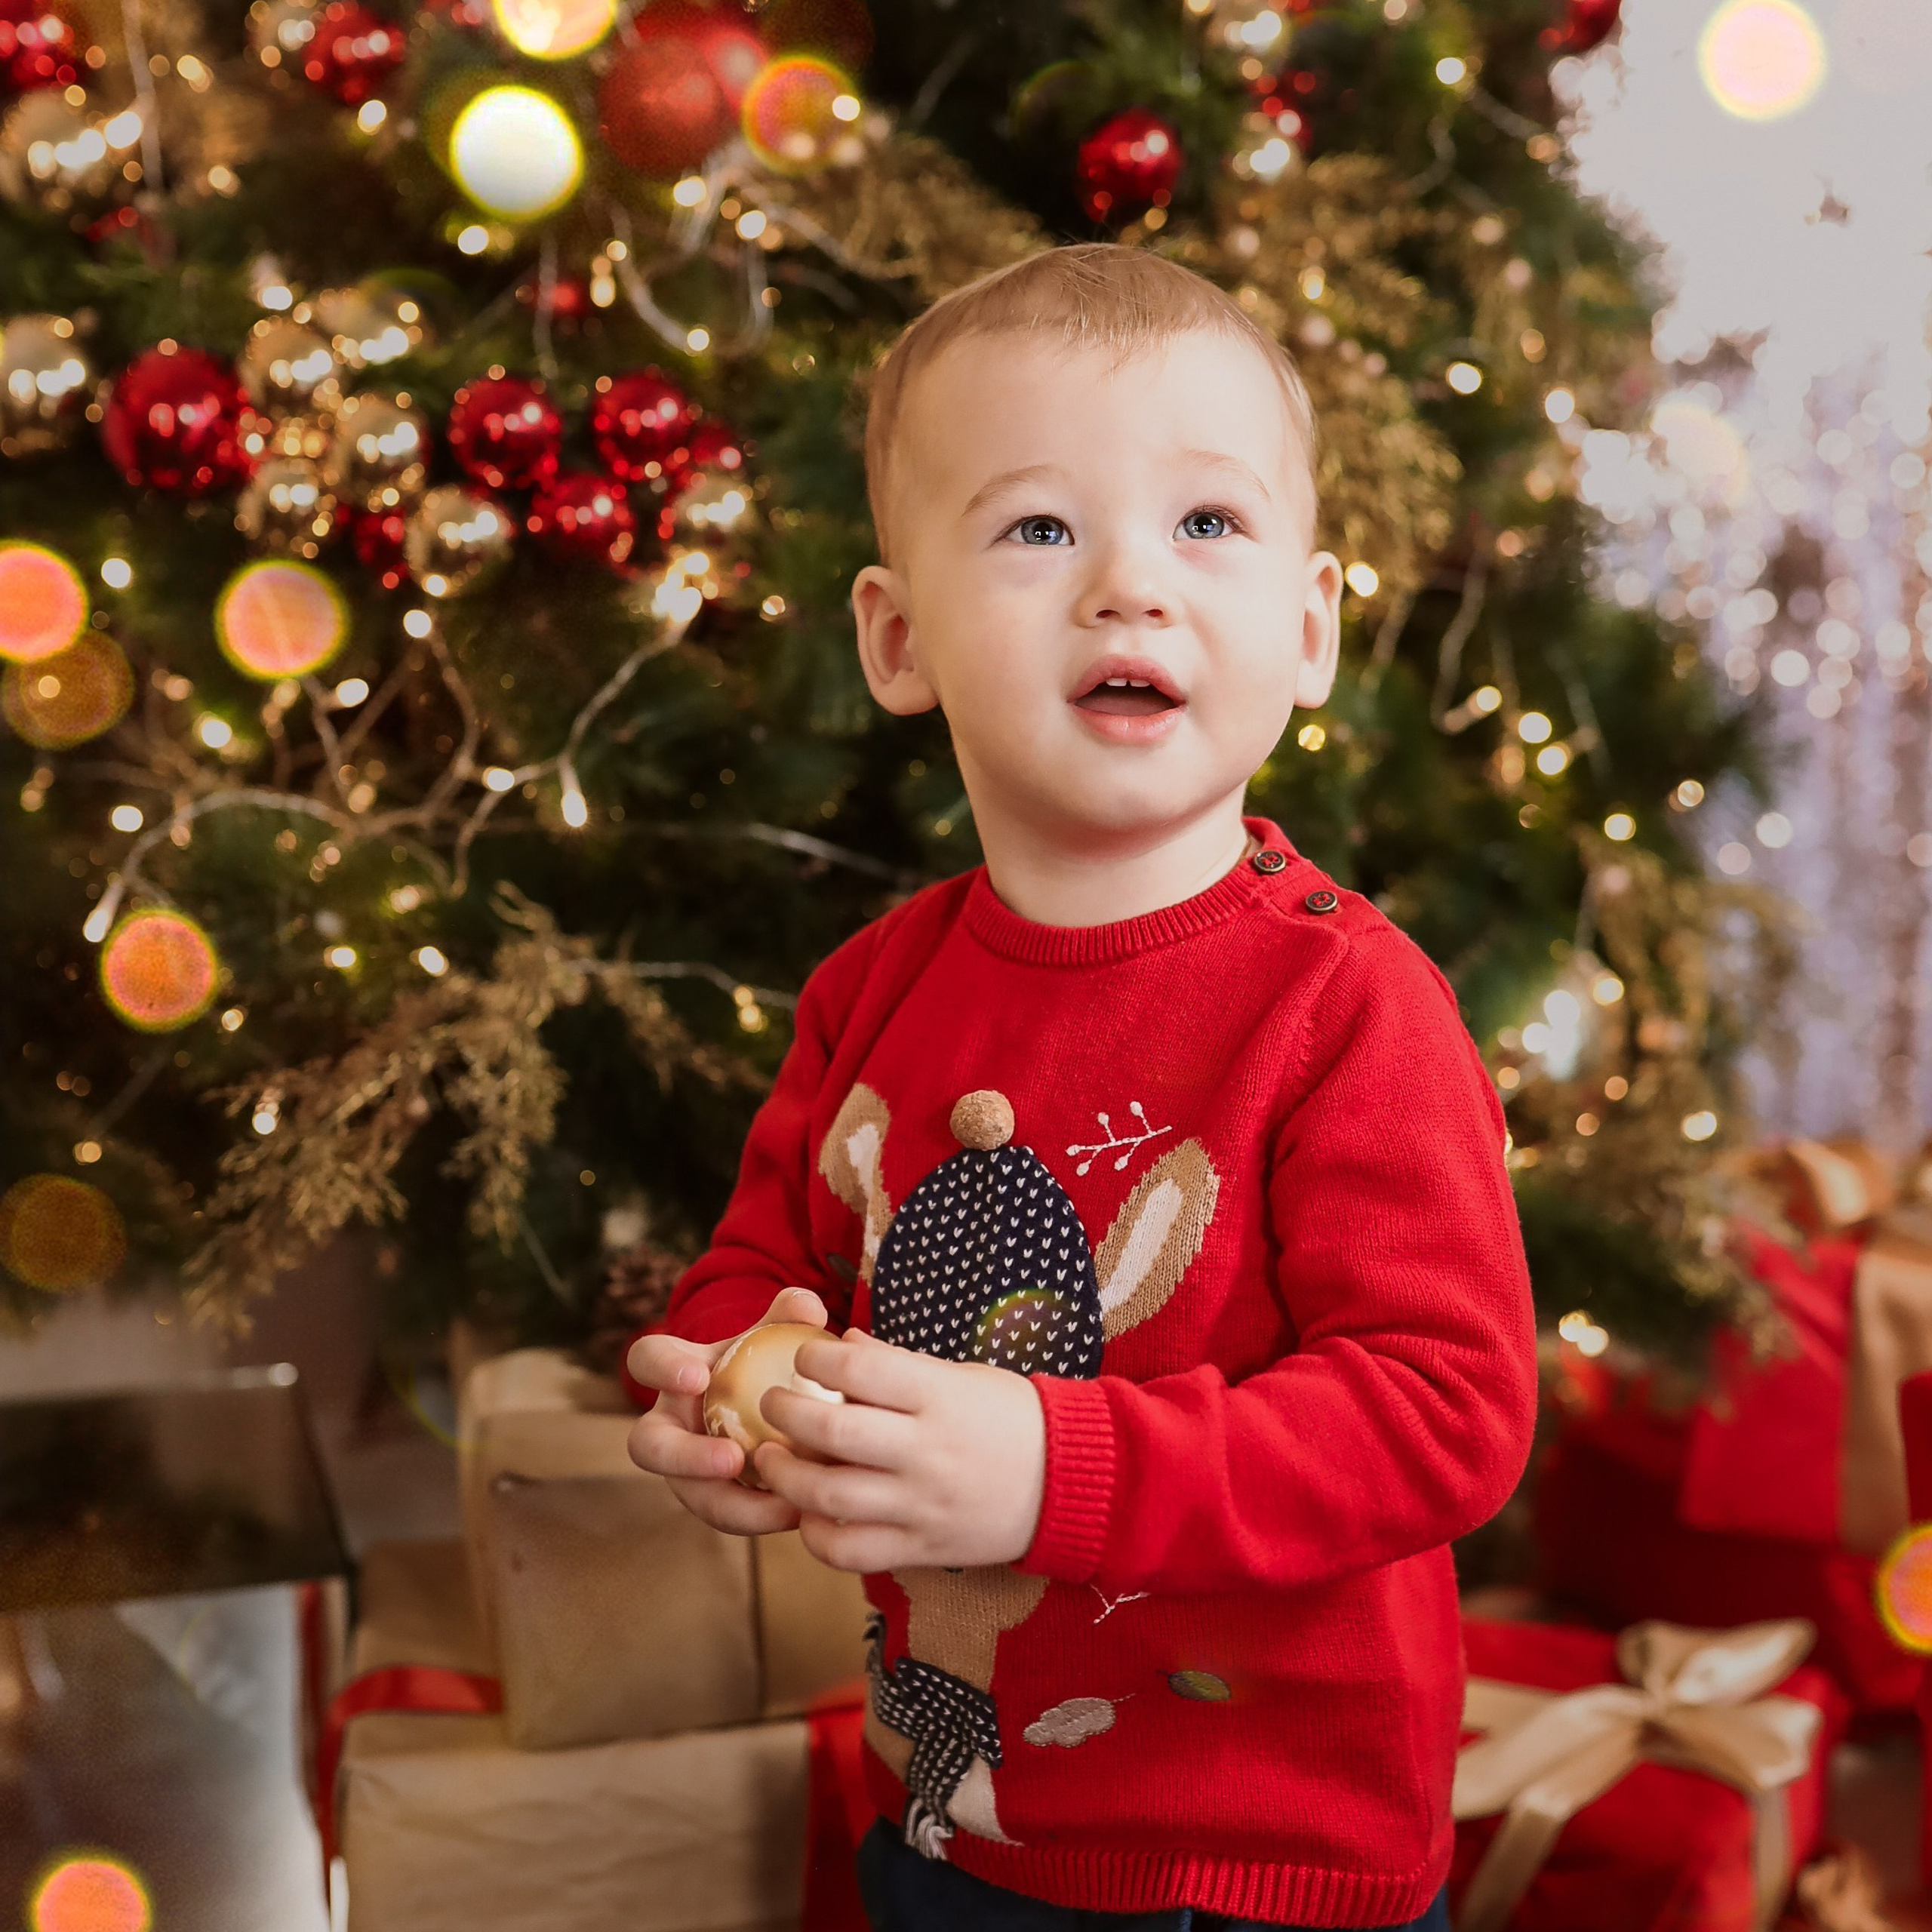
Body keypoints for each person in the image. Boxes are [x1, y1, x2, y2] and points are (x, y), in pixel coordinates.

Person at [626, 242, 1537, 1932]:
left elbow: (1443, 1414)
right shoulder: (872, 990)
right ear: (897, 639)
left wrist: (1058, 1472)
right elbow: (768, 1266)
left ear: (1310, 627)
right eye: (1039, 528)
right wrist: (740, 1380)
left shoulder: (1346, 1001)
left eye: (1207, 525)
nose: (1131, 584)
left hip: (1266, 1857)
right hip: (959, 1812)